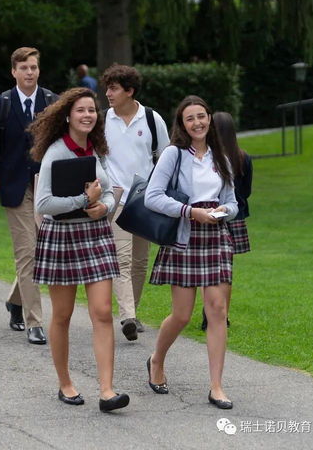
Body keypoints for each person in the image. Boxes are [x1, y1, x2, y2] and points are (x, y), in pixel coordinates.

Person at [30, 87, 130, 412]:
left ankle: (107, 391)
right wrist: (84, 201)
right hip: (61, 238)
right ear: (68, 116)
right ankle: (65, 383)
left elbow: (113, 190)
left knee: (102, 311)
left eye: (92, 110)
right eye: (81, 110)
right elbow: (44, 203)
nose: (88, 115)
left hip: (96, 235)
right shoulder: (55, 153)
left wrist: (105, 206)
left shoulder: (95, 151)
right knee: (62, 315)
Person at [144, 95, 238, 409]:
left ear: (210, 118)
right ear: (182, 124)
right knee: (182, 315)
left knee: (217, 312)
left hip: (216, 236)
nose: (197, 123)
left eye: (202, 116)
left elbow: (235, 202)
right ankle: (156, 359)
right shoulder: (174, 154)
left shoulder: (220, 156)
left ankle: (216, 386)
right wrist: (188, 212)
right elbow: (152, 197)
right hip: (185, 234)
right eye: (190, 118)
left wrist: (225, 209)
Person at [0, 47, 57, 344]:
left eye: (34, 67)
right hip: (15, 186)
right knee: (27, 252)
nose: (30, 72)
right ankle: (35, 322)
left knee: (41, 251)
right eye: (24, 68)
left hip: (47, 186)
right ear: (14, 71)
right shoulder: (0, 105)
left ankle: (16, 301)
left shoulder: (53, 102)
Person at [102, 63, 170, 341]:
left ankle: (133, 312)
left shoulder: (153, 119)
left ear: (129, 91)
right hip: (115, 199)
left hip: (144, 200)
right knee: (122, 258)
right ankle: (128, 315)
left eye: (114, 88)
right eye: (107, 87)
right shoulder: (102, 119)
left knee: (140, 261)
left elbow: (166, 158)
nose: (107, 93)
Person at [201, 112, 253, 331]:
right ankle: (223, 314)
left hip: (210, 215)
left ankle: (208, 312)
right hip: (235, 217)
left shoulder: (208, 159)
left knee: (205, 265)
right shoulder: (243, 157)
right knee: (225, 270)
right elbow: (247, 191)